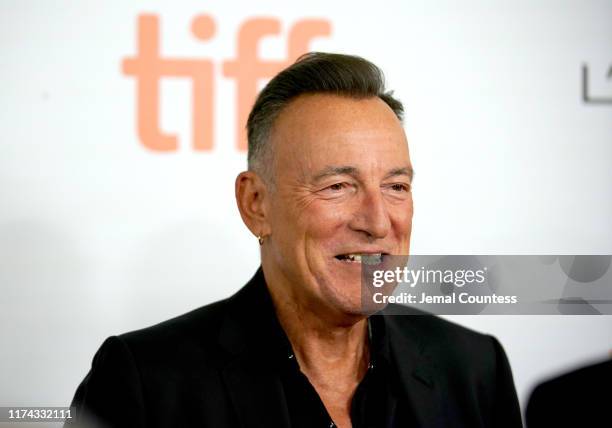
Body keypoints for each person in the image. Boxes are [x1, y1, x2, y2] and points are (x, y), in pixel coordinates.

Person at [67, 52, 523, 428]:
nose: (378, 222)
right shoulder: (145, 383)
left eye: (396, 186)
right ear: (256, 204)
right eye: (337, 186)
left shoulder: (473, 368)